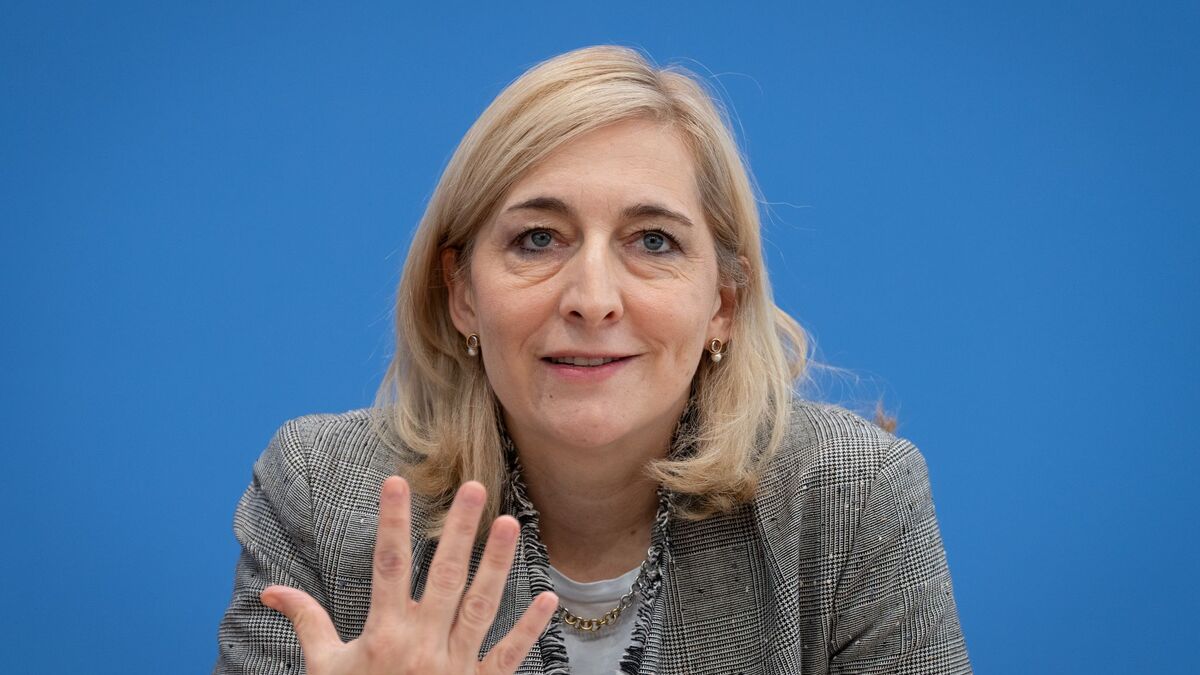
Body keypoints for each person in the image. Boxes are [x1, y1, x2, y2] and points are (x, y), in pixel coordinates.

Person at [213, 44, 972, 674]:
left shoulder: (852, 497)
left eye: (654, 242)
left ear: (722, 304)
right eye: (538, 238)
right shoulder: (320, 494)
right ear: (463, 293)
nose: (593, 299)